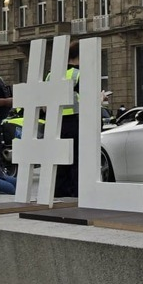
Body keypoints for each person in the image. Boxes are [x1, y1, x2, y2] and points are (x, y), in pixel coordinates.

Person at [51, 41, 82, 198]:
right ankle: (75, 191)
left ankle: (58, 191)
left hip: (55, 122)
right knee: (76, 158)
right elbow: (87, 98)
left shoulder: (52, 74)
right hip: (74, 121)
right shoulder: (78, 74)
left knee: (59, 158)